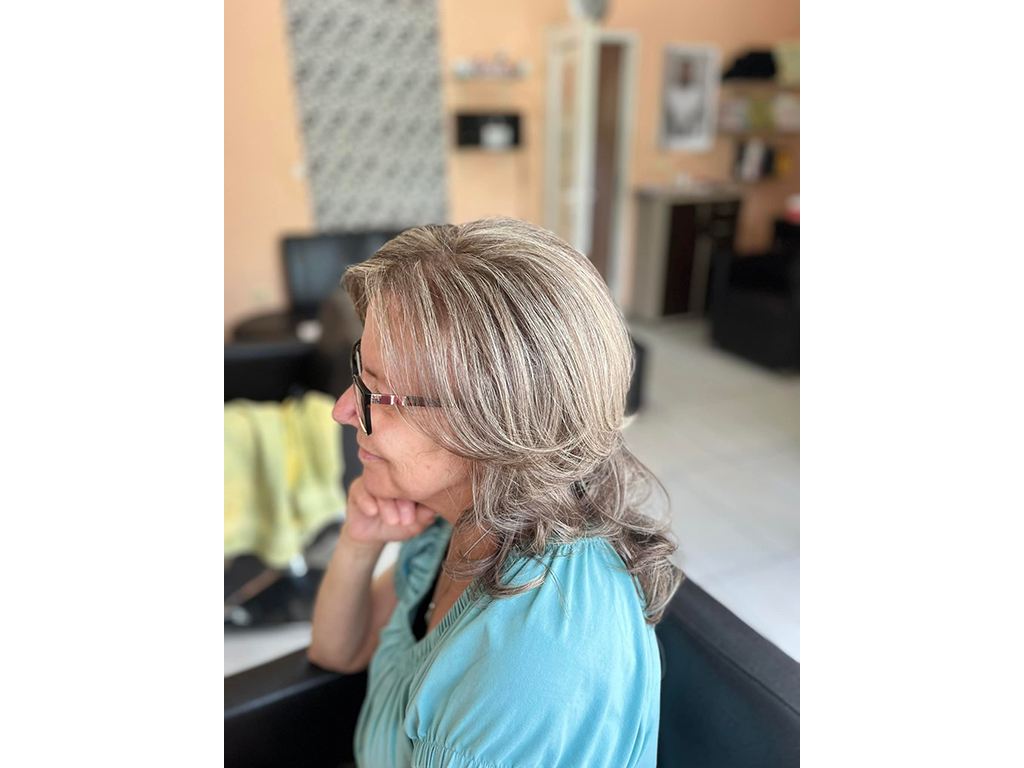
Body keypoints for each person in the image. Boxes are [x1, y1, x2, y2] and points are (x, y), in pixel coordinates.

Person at [309, 218, 682, 768]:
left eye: (375, 392)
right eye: (358, 372)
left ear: (488, 426)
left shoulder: (528, 670)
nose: (343, 409)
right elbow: (339, 652)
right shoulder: (459, 518)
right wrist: (359, 543)